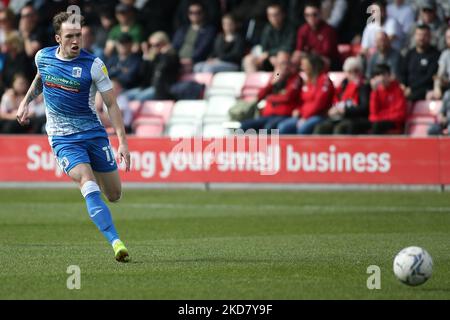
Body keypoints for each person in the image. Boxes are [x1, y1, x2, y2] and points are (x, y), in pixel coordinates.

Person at [15, 12, 131, 262]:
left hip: (94, 135)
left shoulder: (93, 65)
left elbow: (111, 104)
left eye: (78, 35)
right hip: (63, 138)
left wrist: (122, 142)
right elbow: (40, 77)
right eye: (70, 36)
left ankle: (100, 192)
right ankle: (116, 242)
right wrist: (26, 101)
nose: (76, 40)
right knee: (87, 182)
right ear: (58, 38)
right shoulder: (42, 57)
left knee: (114, 195)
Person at [240, 51, 302, 131]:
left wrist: (269, 97)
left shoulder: (295, 78)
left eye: (285, 63)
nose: (283, 67)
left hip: (283, 115)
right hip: (268, 115)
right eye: (280, 64)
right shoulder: (276, 76)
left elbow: (287, 97)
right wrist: (273, 82)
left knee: (268, 128)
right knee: (244, 125)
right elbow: (260, 95)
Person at [277, 53, 335, 134]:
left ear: (312, 66)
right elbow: (301, 101)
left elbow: (319, 104)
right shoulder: (307, 81)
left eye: (304, 65)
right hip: (301, 115)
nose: (302, 67)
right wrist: (298, 110)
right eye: (302, 65)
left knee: (301, 129)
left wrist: (304, 117)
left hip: (317, 115)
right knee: (280, 127)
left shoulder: (322, 80)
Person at [314, 56, 371, 134]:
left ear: (360, 72)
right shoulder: (342, 86)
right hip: (338, 117)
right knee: (321, 127)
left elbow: (364, 108)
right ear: (346, 73)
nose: (353, 74)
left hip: (354, 117)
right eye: (350, 71)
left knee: (340, 128)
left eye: (356, 71)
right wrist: (332, 110)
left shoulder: (363, 86)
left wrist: (346, 111)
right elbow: (334, 102)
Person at [126, 31, 180, 101]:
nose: (153, 48)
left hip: (161, 90)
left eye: (156, 45)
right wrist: (146, 58)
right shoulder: (154, 58)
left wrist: (164, 54)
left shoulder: (172, 56)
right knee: (124, 96)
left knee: (138, 99)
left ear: (165, 44)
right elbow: (142, 74)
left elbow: (164, 68)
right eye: (151, 45)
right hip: (148, 88)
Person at [242, 2, 295, 73]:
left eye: (276, 15)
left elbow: (288, 47)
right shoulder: (267, 29)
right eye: (270, 15)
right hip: (269, 59)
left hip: (284, 60)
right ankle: (254, 82)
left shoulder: (290, 28)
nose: (273, 18)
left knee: (281, 57)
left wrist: (269, 54)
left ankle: (276, 82)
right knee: (248, 60)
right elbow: (264, 49)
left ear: (282, 14)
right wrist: (270, 56)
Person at [292, 0, 339, 71]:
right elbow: (299, 50)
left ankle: (316, 81)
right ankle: (281, 79)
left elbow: (326, 53)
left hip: (329, 62)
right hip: (308, 60)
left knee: (316, 61)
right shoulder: (302, 30)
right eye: (307, 15)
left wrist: (307, 54)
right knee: (293, 59)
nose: (311, 18)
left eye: (314, 14)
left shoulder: (328, 30)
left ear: (320, 13)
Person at [172, 1, 217, 73]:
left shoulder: (209, 30)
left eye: (198, 12)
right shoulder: (182, 29)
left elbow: (203, 49)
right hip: (178, 61)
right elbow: (174, 46)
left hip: (195, 61)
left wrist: (191, 60)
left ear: (203, 13)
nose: (194, 15)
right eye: (191, 12)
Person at [399, 24, 439, 102]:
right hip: (408, 89)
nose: (421, 38)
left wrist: (412, 88)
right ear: (415, 36)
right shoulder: (409, 54)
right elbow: (402, 72)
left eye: (425, 35)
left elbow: (429, 77)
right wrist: (403, 85)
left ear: (430, 37)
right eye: (419, 35)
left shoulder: (435, 55)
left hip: (424, 89)